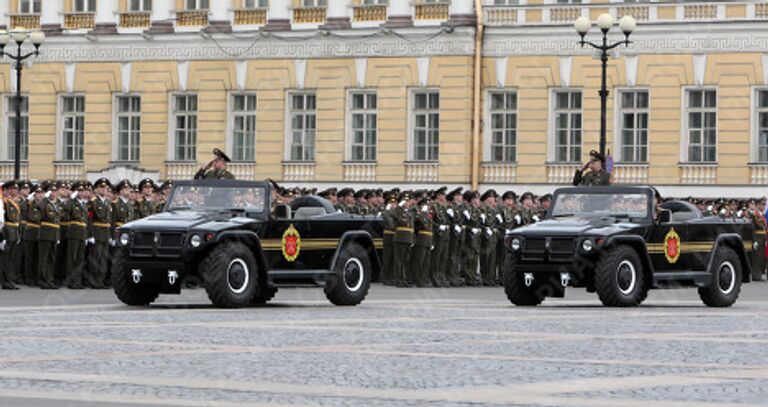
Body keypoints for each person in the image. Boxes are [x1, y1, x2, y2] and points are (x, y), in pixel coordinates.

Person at [87, 178, 113, 289]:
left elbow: (110, 220)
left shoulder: (107, 202)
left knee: (103, 258)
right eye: (101, 187)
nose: (104, 190)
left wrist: (111, 235)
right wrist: (90, 234)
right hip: (97, 232)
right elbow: (89, 219)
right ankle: (93, 281)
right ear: (96, 189)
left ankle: (100, 280)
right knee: (95, 258)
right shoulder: (93, 202)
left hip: (106, 233)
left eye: (106, 188)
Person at [64, 182, 89, 289]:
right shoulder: (72, 202)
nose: (81, 193)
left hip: (82, 233)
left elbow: (86, 221)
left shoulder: (84, 204)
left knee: (80, 258)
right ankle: (71, 281)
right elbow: (66, 211)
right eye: (79, 191)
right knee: (72, 258)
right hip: (74, 232)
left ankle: (77, 281)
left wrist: (87, 235)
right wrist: (70, 198)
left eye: (82, 191)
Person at [37, 181, 61, 289]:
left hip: (55, 234)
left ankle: (49, 279)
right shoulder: (44, 203)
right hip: (45, 233)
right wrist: (45, 198)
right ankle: (42, 280)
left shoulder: (57, 204)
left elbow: (59, 219)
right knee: (44, 258)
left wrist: (58, 236)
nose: (53, 193)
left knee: (52, 258)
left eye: (55, 191)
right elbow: (39, 207)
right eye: (51, 191)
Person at [2, 181, 21, 289]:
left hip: (14, 231)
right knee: (6, 258)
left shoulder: (14, 202)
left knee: (11, 258)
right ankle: (5, 281)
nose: (15, 191)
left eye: (16, 189)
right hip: (7, 231)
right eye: (13, 189)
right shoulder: (4, 202)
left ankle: (9, 279)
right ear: (7, 190)